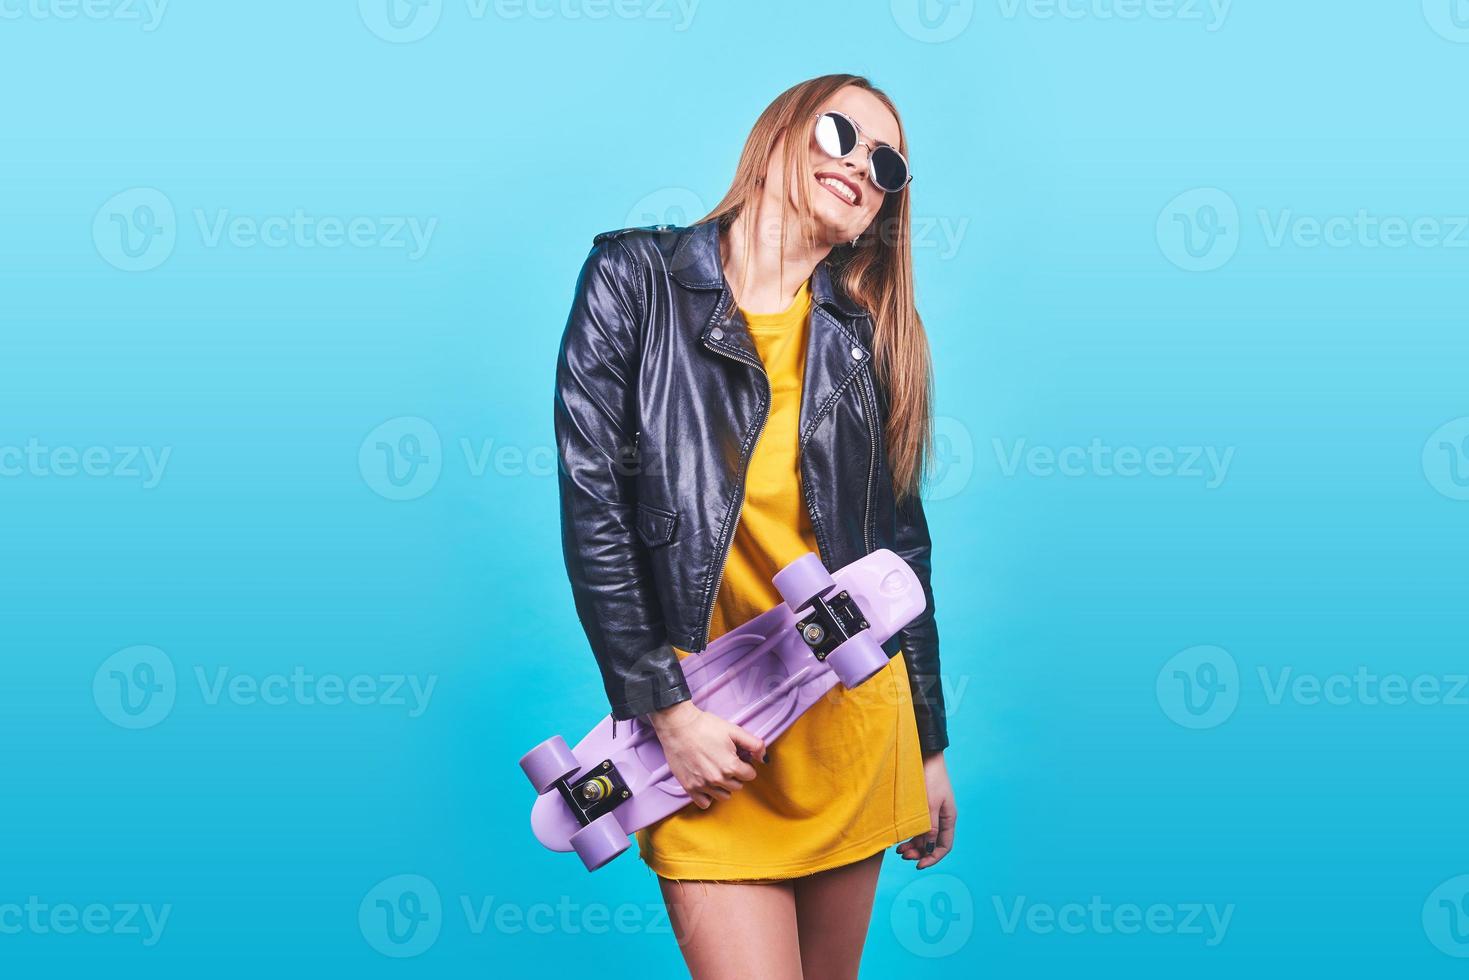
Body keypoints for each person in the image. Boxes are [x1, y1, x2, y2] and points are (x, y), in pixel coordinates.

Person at [554, 73, 955, 979]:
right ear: (779, 132)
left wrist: (928, 744)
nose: (861, 162)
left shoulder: (869, 339)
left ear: (879, 213)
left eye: (886, 161)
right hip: (704, 738)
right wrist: (665, 712)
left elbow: (902, 552)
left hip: (851, 733)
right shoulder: (634, 280)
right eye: (840, 131)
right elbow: (595, 511)